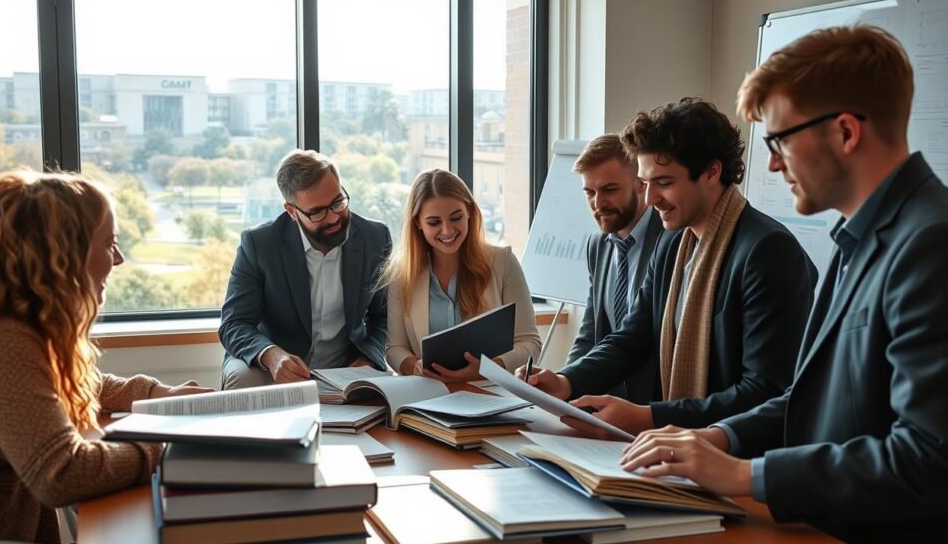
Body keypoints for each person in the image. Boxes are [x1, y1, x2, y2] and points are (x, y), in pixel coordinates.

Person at [619, 26, 948, 544]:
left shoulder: (942, 243)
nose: (773, 164)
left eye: (781, 141)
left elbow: (936, 462)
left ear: (845, 132)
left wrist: (745, 476)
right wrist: (718, 437)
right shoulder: (856, 236)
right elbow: (811, 398)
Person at [521, 97, 817, 436]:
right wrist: (565, 381)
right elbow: (633, 338)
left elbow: (765, 392)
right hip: (676, 451)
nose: (649, 199)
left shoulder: (767, 250)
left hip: (738, 461)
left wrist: (650, 417)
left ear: (711, 172)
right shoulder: (674, 243)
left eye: (664, 182)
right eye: (646, 184)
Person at [0, 171, 211, 544]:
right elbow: (63, 473)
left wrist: (151, 392)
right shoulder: (5, 342)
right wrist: (165, 443)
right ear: (65, 253)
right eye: (110, 243)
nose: (118, 259)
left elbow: (52, 382)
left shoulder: (14, 323)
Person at [219, 150, 392, 389]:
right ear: (291, 211)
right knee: (243, 379)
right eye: (318, 211)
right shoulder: (260, 244)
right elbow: (234, 323)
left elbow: (383, 317)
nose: (333, 218)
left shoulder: (375, 237)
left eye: (338, 202)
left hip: (346, 365)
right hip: (277, 363)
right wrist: (272, 356)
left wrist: (368, 357)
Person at [381, 169, 541, 381]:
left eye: (455, 217)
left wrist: (489, 368)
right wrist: (415, 367)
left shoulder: (503, 262)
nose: (447, 230)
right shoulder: (402, 274)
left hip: (490, 393)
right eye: (434, 222)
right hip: (429, 395)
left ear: (469, 212)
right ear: (418, 223)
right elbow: (395, 348)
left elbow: (530, 343)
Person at [565, 134, 668, 404]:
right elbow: (591, 334)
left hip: (654, 409)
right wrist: (563, 387)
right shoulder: (597, 245)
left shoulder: (671, 240)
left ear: (640, 185)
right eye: (590, 192)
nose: (597, 203)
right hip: (606, 410)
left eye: (609, 190)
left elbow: (647, 340)